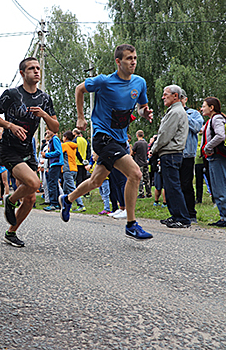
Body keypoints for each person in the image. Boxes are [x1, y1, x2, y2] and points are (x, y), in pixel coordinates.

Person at [59, 44, 153, 240]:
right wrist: (80, 117)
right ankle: (131, 224)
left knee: (96, 181)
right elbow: (79, 89)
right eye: (128, 58)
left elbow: (141, 108)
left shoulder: (139, 82)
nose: (133, 62)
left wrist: (145, 113)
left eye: (135, 58)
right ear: (118, 62)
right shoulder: (104, 81)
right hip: (103, 137)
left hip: (120, 140)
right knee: (135, 173)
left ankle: (67, 199)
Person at [0, 57, 59, 247]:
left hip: (28, 151)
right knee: (34, 183)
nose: (36, 71)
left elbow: (56, 126)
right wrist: (10, 125)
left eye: (38, 68)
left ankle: (11, 233)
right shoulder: (11, 94)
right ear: (22, 73)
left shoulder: (44, 98)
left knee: (30, 198)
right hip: (10, 150)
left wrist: (44, 114)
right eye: (31, 68)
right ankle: (10, 200)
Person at [150, 85, 191, 228]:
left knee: (173, 186)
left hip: (171, 153)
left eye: (165, 94)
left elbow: (164, 135)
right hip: (171, 153)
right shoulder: (176, 111)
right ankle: (175, 216)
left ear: (175, 96)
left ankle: (183, 218)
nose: (163, 97)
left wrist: (153, 149)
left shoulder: (175, 112)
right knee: (170, 186)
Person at [200, 97, 226, 228]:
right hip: (215, 158)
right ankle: (224, 217)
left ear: (211, 107)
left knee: (222, 187)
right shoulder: (212, 120)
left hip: (219, 157)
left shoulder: (217, 118)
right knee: (217, 188)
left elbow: (220, 135)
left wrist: (208, 147)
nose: (202, 108)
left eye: (203, 106)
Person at [179, 89, 204, 223]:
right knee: (175, 186)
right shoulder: (171, 113)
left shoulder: (193, 113)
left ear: (185, 99)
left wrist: (183, 114)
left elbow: (196, 127)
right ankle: (178, 213)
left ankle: (191, 214)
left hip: (187, 154)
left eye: (181, 98)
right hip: (173, 154)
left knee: (186, 184)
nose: (179, 101)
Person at [61, 130, 84, 211]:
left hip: (67, 169)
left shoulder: (64, 145)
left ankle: (81, 205)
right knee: (65, 189)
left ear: (66, 137)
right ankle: (65, 205)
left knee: (72, 188)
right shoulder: (73, 146)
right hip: (74, 168)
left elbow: (58, 153)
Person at [41, 129, 63, 211]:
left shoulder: (55, 139)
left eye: (48, 131)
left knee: (52, 183)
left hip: (56, 163)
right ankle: (57, 203)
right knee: (53, 183)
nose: (46, 132)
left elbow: (58, 152)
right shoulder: (52, 140)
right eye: (46, 131)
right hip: (53, 164)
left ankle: (53, 203)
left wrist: (46, 155)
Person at [132, 130, 150, 198]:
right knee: (147, 178)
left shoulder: (137, 143)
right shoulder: (146, 143)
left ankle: (141, 193)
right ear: (143, 135)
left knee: (140, 179)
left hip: (139, 162)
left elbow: (132, 152)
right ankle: (149, 193)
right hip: (145, 162)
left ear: (137, 135)